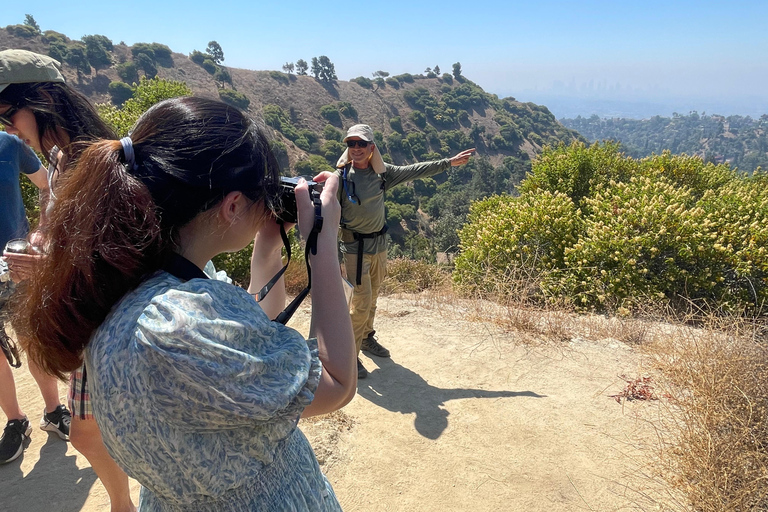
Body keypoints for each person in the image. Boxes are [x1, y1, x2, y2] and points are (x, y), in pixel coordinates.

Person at [15, 96, 356, 510]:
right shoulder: (178, 327)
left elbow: (243, 341)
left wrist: (267, 246)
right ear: (232, 205)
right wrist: (323, 243)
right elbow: (337, 384)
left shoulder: (123, 285)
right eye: (259, 194)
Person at [0, 49, 136, 511]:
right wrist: (43, 237)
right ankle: (125, 504)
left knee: (95, 433)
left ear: (39, 99)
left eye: (7, 114)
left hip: (108, 320)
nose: (8, 129)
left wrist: (48, 267)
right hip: (86, 317)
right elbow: (66, 226)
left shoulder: (95, 159)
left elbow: (123, 252)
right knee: (86, 434)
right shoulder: (61, 161)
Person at [335, 124, 474, 378]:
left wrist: (448, 163)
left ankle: (366, 338)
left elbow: (414, 171)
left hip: (379, 245)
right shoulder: (341, 177)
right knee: (361, 303)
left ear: (371, 147)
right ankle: (348, 356)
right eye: (351, 144)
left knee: (374, 296)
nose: (355, 148)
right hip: (355, 248)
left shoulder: (383, 174)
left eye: (361, 143)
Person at [0, 131, 71, 465]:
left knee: (33, 340)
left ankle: (54, 412)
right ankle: (16, 421)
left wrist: (41, 229)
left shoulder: (9, 145)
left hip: (19, 266)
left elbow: (46, 185)